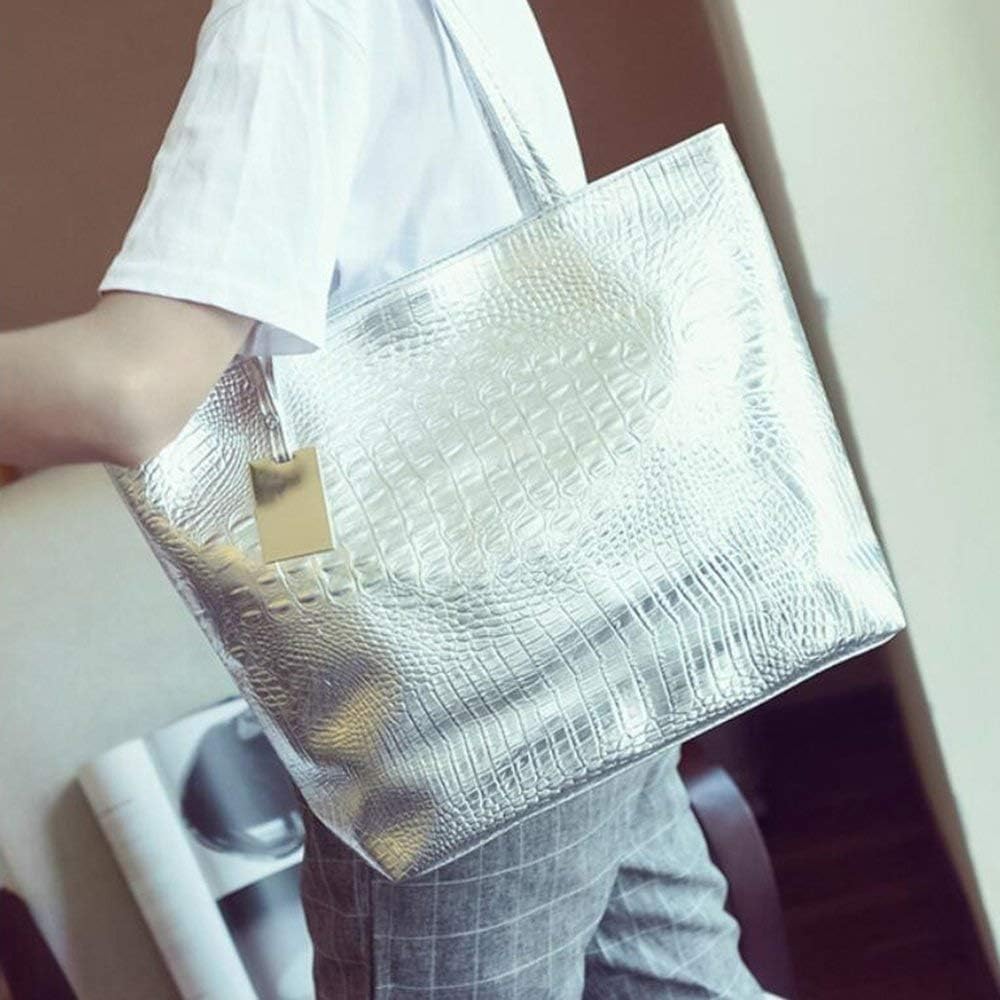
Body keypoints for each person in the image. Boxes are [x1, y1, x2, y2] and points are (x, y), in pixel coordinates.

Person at [0, 0, 771, 996]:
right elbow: (293, 383)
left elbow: (134, 388)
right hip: (587, 615)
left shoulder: (295, 14)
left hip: (463, 687)